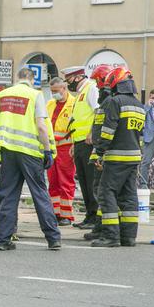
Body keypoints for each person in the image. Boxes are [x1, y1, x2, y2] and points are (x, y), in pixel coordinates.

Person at [0, 67, 61, 251]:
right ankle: (53, 238)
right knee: (39, 194)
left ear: (17, 78)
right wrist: (46, 150)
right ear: (32, 79)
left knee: (8, 195)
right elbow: (42, 126)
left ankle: (3, 240)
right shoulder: (35, 95)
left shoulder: (2, 95)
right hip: (29, 153)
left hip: (7, 151)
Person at [92, 67, 145, 248]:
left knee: (107, 193)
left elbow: (108, 131)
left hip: (116, 157)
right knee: (129, 196)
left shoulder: (115, 102)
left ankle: (110, 237)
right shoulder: (139, 105)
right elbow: (141, 134)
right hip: (133, 158)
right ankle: (129, 237)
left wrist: (99, 152)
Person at [62, 66, 99, 229]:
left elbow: (98, 112)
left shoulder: (91, 89)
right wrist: (73, 143)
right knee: (83, 182)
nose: (68, 84)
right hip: (79, 144)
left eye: (68, 80)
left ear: (77, 77)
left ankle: (95, 217)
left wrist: (93, 132)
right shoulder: (80, 94)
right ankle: (89, 216)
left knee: (91, 182)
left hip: (88, 143)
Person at [82, 64, 114, 241]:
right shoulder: (106, 100)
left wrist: (101, 153)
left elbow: (107, 130)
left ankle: (103, 228)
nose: (95, 85)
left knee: (102, 192)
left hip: (105, 153)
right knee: (99, 191)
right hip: (99, 151)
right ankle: (100, 226)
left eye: (96, 81)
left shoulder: (109, 101)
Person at [46, 77, 76, 226]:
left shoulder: (74, 104)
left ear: (64, 88)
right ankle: (55, 213)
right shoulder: (50, 104)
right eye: (52, 91)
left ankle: (66, 215)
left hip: (66, 148)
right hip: (52, 148)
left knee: (66, 181)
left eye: (56, 91)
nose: (54, 94)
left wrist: (74, 145)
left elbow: (77, 126)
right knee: (53, 181)